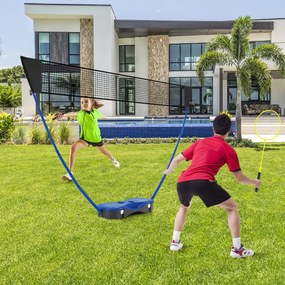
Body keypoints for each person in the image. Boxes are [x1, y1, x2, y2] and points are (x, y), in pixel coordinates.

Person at [164, 113, 261, 258]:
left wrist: (170, 169)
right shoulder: (228, 149)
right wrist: (255, 182)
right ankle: (237, 249)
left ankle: (175, 242)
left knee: (184, 207)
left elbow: (177, 159)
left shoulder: (200, 143)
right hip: (202, 182)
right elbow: (239, 178)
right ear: (229, 131)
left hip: (183, 181)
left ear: (213, 129)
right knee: (232, 207)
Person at [61, 97, 120, 181]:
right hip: (85, 139)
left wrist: (106, 117)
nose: (83, 104)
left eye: (86, 102)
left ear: (91, 104)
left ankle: (113, 159)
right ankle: (70, 173)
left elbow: (101, 116)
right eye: (82, 102)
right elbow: (73, 114)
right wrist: (63, 115)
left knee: (104, 151)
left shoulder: (96, 112)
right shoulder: (81, 113)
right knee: (73, 148)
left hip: (96, 138)